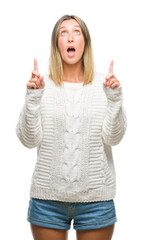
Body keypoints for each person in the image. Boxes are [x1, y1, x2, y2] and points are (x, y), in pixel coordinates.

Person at [16, 15, 127, 240]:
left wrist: (115, 99)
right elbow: (29, 140)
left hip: (96, 200)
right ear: (56, 43)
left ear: (85, 42)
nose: (70, 37)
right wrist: (33, 98)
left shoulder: (105, 84)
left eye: (77, 32)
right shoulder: (41, 84)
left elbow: (113, 138)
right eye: (63, 32)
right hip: (47, 201)